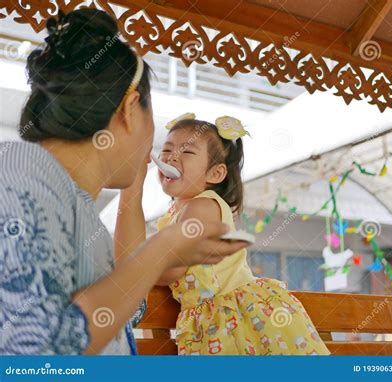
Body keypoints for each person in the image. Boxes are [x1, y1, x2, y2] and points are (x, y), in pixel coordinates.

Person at [0, 9, 248, 355]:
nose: (164, 152)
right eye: (163, 139)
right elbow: (37, 351)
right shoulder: (16, 170)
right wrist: (162, 248)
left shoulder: (65, 199)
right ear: (131, 109)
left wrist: (136, 191)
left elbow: (123, 310)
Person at [149, 113, 331, 355]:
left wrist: (137, 268)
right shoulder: (175, 213)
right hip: (215, 317)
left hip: (231, 317)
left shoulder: (202, 206)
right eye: (166, 150)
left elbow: (172, 268)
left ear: (215, 174)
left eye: (187, 152)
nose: (171, 157)